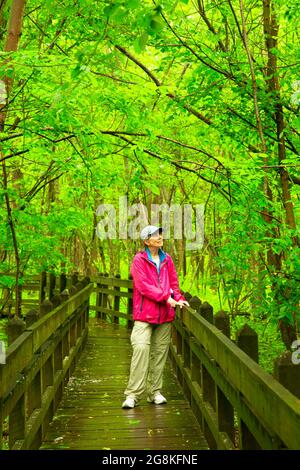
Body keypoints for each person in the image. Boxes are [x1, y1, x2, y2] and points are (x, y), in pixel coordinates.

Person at [122, 225, 189, 409]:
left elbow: (174, 284)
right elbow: (143, 286)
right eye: (154, 235)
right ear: (146, 241)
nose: (159, 237)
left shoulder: (167, 259)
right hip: (144, 315)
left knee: (159, 354)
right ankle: (133, 395)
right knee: (141, 350)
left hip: (165, 316)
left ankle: (155, 392)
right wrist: (166, 297)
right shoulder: (139, 260)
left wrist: (179, 298)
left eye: (160, 233)